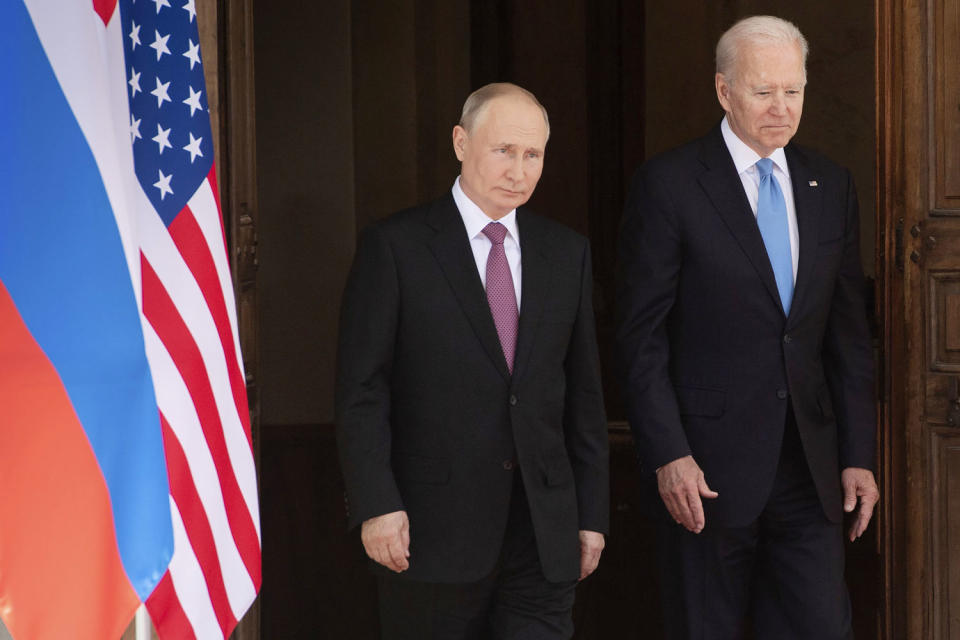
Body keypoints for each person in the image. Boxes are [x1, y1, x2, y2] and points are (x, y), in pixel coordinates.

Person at [616, 15, 879, 639]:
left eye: (794, 90)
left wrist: (858, 456)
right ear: (722, 90)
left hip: (810, 469)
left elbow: (847, 335)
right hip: (704, 472)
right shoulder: (670, 185)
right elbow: (640, 336)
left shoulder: (829, 185)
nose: (781, 108)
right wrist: (668, 453)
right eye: (764, 92)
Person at [336, 82, 609, 640]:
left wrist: (590, 516)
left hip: (542, 532)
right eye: (503, 150)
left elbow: (583, 395)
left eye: (532, 155)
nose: (519, 169)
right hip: (429, 534)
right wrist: (376, 503)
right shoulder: (397, 248)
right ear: (461, 143)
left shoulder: (566, 253)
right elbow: (362, 390)